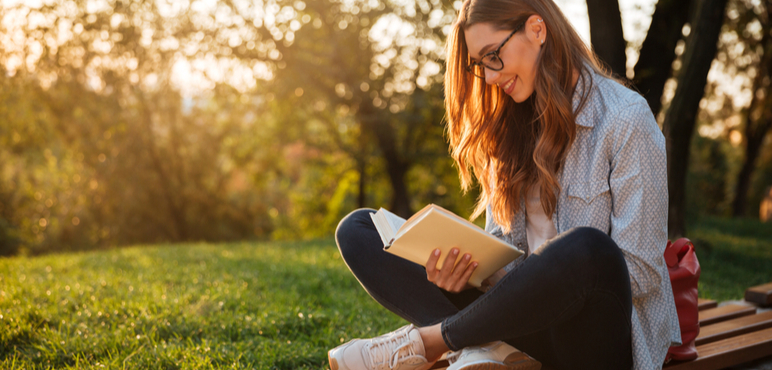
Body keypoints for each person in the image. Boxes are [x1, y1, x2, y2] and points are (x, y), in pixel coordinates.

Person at [328, 0, 682, 368]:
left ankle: (435, 342)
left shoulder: (626, 119)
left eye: (493, 55)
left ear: (537, 30)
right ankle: (486, 350)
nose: (491, 76)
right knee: (359, 230)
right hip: (517, 326)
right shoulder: (509, 123)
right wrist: (470, 269)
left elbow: (640, 274)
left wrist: (536, 282)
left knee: (587, 248)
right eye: (480, 65)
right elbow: (501, 252)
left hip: (591, 336)